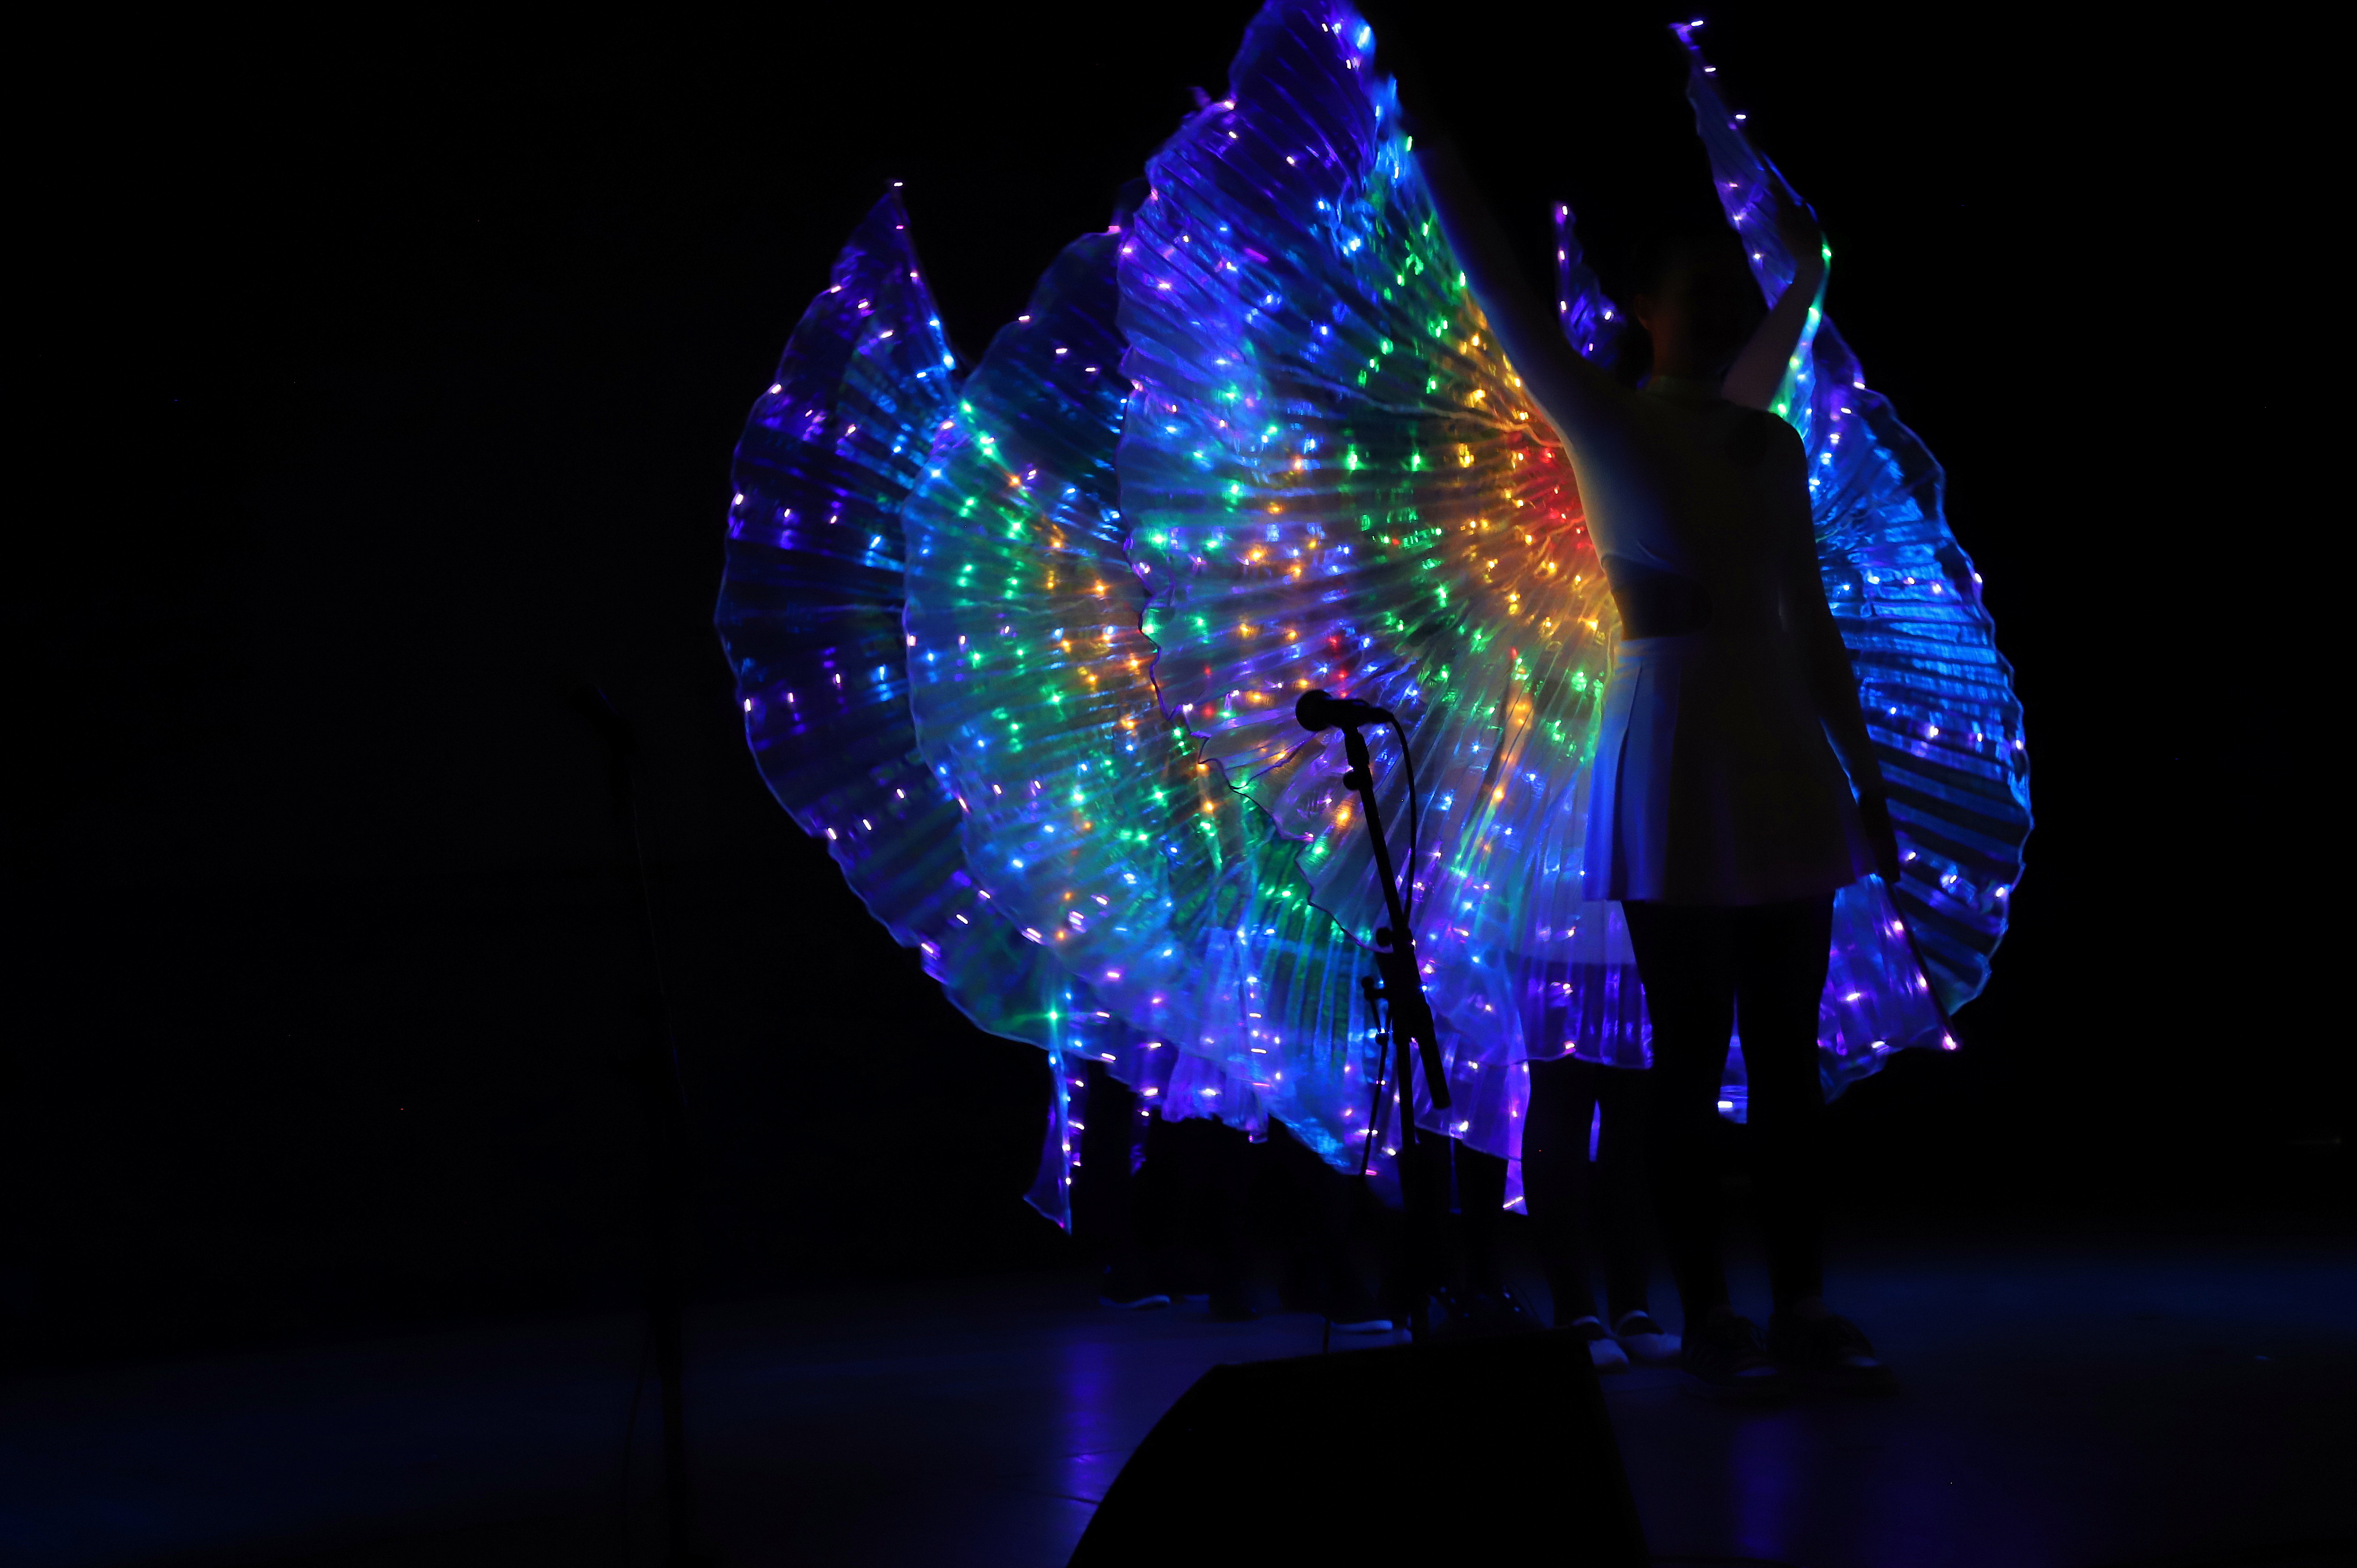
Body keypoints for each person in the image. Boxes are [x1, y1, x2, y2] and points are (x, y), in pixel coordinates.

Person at [1411, 118, 1902, 1397]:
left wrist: (1866, 778)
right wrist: (1431, 141)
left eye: (1733, 295)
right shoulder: (1610, 424)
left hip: (1772, 744)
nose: (1723, 313)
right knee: (1689, 1052)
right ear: (1644, 309)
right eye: (1700, 294)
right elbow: (1508, 300)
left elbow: (1810, 619)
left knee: (1784, 1060)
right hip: (1677, 746)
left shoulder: (1767, 443)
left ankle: (1799, 1302)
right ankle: (1711, 1317)